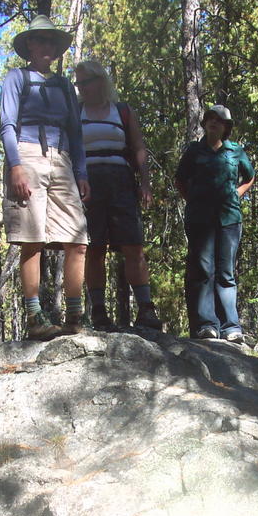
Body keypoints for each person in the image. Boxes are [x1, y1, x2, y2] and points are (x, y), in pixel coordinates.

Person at [0, 15, 90, 340]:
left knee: (78, 240)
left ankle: (75, 316)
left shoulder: (64, 85)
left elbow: (76, 132)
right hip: (26, 154)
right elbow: (7, 124)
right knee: (32, 239)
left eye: (51, 41)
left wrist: (81, 172)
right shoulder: (17, 78)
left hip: (62, 159)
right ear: (28, 46)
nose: (47, 46)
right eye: (40, 40)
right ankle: (35, 316)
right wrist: (15, 166)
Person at [74, 60, 162, 330]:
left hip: (121, 180)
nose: (81, 88)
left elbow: (138, 147)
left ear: (100, 81)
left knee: (133, 245)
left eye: (85, 82)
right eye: (78, 83)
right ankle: (99, 312)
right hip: (88, 183)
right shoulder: (75, 112)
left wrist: (145, 182)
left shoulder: (121, 111)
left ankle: (146, 310)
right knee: (95, 247)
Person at [175, 105, 255, 341]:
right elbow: (180, 180)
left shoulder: (236, 151)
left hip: (229, 219)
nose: (214, 122)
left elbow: (249, 177)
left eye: (219, 120)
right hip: (200, 219)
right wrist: (195, 201)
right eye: (210, 118)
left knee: (226, 272)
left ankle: (231, 327)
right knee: (203, 271)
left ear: (226, 127)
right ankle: (207, 324)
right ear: (205, 123)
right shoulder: (194, 151)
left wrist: (235, 196)